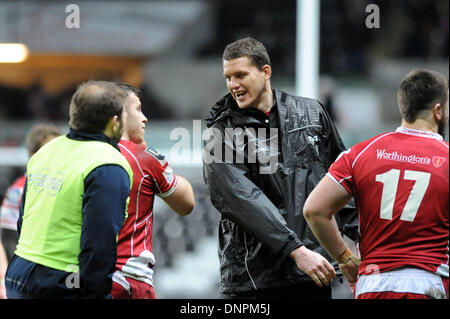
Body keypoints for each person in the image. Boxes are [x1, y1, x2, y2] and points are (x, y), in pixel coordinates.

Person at [202, 37, 357, 299]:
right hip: (255, 282)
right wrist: (295, 250)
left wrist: (363, 237)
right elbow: (244, 200)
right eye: (228, 77)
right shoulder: (219, 134)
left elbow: (341, 182)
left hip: (314, 273)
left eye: (240, 75)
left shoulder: (312, 113)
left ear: (266, 72)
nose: (233, 85)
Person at [303, 69, 449, 299]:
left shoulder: (362, 153)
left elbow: (314, 210)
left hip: (373, 285)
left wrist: (344, 257)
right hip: (428, 284)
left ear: (404, 107)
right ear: (438, 111)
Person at [4, 80, 133, 299]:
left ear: (74, 115)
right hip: (60, 282)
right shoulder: (107, 164)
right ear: (114, 122)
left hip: (19, 273)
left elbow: (23, 221)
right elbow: (99, 246)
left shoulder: (45, 152)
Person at [110, 83, 195, 299]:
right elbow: (187, 204)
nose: (144, 118)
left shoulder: (83, 154)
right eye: (138, 109)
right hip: (128, 279)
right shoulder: (143, 158)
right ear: (118, 116)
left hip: (83, 278)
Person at [0, 124, 61, 263]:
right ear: (34, 155)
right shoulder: (18, 191)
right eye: (52, 151)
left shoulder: (66, 185)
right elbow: (9, 241)